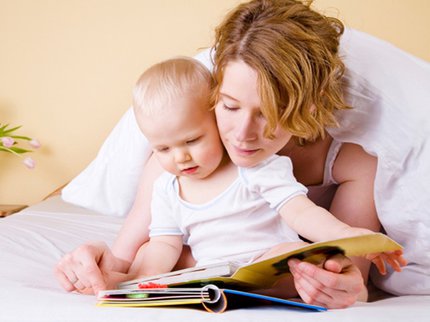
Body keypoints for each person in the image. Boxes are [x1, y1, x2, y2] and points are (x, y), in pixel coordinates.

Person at [55, 0, 425, 308]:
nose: (243, 136)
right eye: (230, 107)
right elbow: (132, 257)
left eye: (268, 112)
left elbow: (350, 274)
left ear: (309, 108)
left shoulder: (352, 163)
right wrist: (98, 266)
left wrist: (347, 280)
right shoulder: (184, 155)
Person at [123, 57, 404, 283]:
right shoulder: (167, 187)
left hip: (267, 263)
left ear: (215, 116)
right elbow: (165, 244)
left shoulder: (257, 168)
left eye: (192, 140)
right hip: (214, 273)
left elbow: (301, 212)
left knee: (296, 256)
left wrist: (346, 235)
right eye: (163, 149)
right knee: (151, 252)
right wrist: (141, 280)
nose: (180, 157)